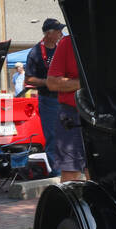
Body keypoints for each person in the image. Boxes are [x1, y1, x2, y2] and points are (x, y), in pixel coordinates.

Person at [25, 18, 65, 176]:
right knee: (53, 136)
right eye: (58, 31)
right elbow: (28, 79)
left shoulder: (61, 48)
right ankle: (56, 172)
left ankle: (70, 169)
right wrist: (47, 82)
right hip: (48, 100)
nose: (61, 33)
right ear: (49, 34)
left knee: (68, 134)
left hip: (64, 97)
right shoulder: (35, 52)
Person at [45, 32, 87, 182]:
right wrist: (88, 83)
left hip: (105, 114)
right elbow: (52, 82)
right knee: (71, 173)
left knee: (100, 172)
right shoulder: (68, 43)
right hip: (73, 115)